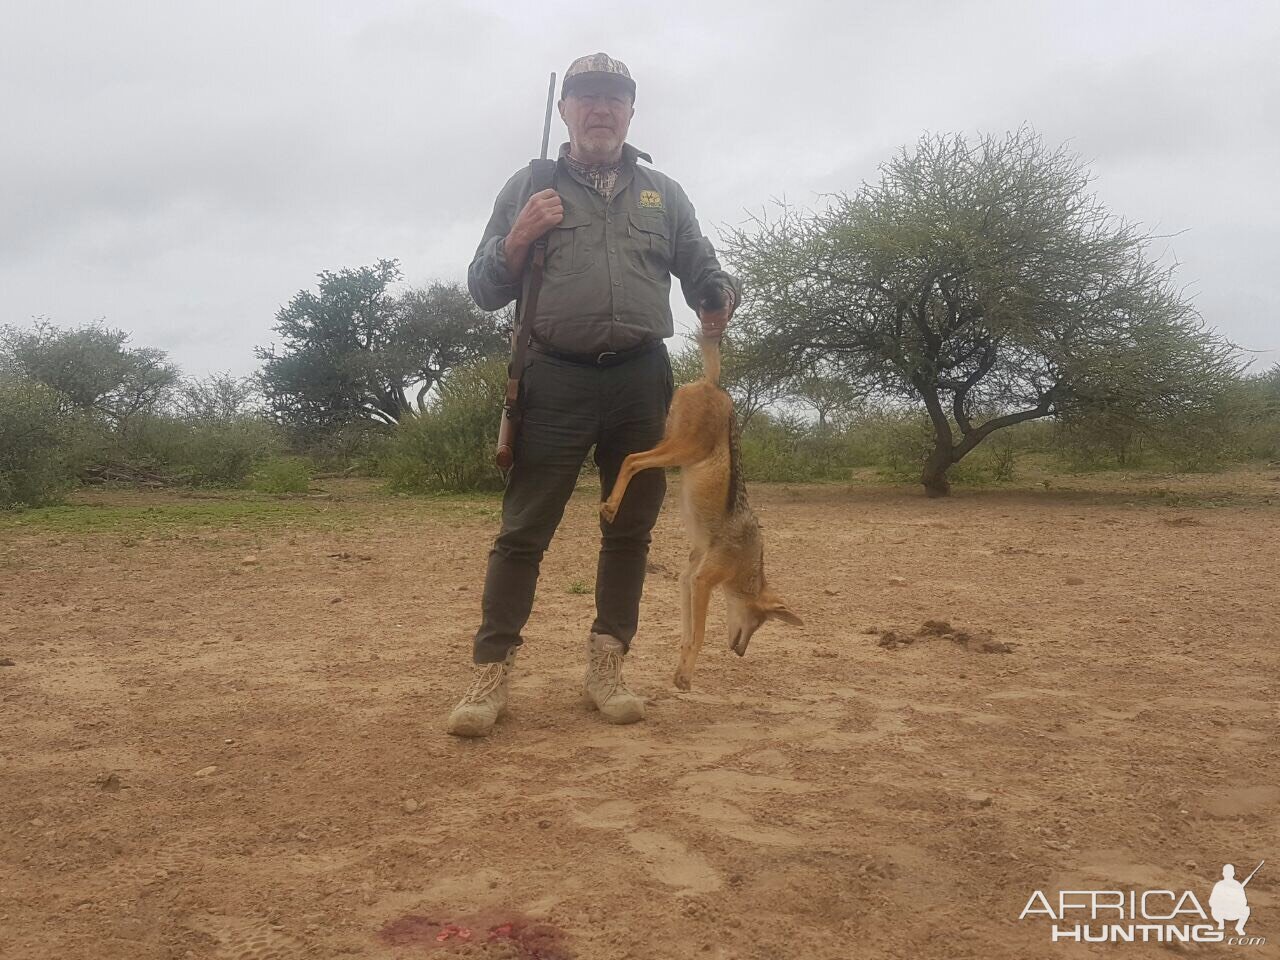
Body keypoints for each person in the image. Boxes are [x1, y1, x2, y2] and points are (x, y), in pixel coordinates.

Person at [447, 52, 739, 737]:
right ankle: (489, 679)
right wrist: (518, 237)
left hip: (642, 380)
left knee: (629, 531)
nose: (601, 108)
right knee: (522, 534)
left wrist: (719, 295)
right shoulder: (529, 184)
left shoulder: (663, 194)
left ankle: (607, 667)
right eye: (587, 97)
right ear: (565, 111)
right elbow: (484, 289)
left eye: (614, 97)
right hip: (552, 377)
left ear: (631, 110)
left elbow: (704, 267)